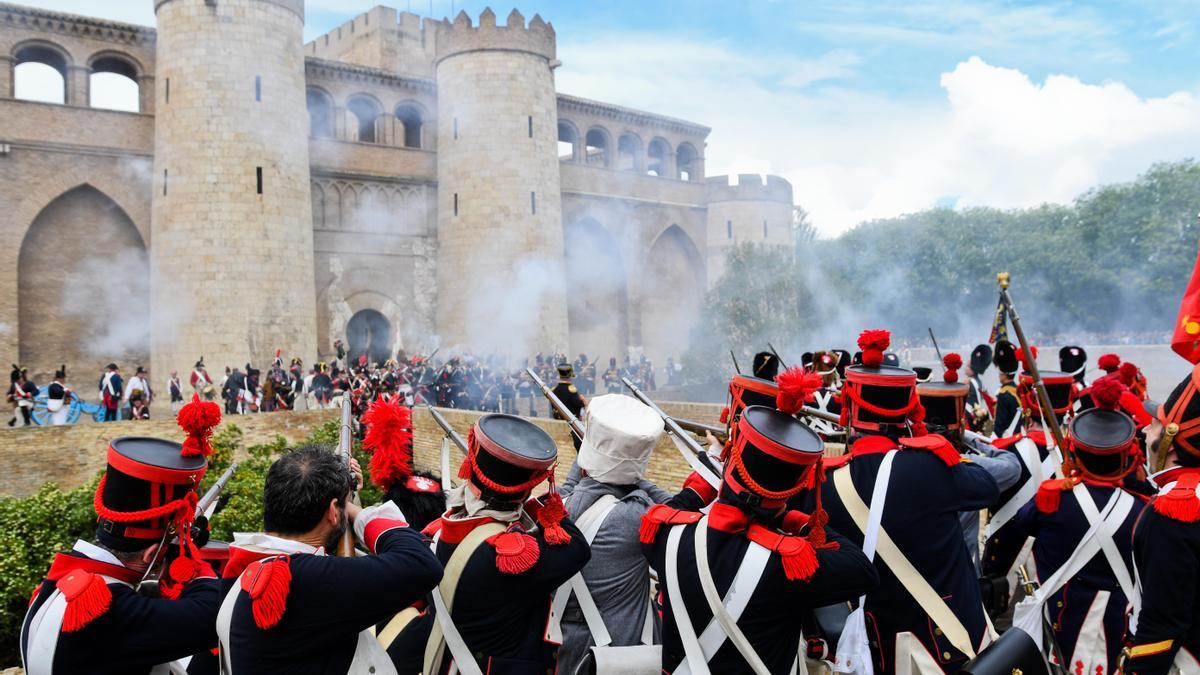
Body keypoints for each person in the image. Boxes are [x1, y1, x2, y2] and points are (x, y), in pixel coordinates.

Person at [643, 380, 878, 673]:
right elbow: (863, 570)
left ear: (732, 461)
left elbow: (669, 511)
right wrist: (796, 521)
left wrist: (704, 478)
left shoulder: (667, 538)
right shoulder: (788, 565)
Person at [806, 329, 1000, 673]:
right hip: (951, 647)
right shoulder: (931, 467)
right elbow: (986, 486)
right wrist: (932, 443)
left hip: (882, 651)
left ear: (850, 408)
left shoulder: (827, 483)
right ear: (909, 408)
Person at [20, 399, 223, 673]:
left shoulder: (60, 582)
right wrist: (188, 553)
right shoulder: (112, 608)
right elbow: (213, 615)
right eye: (160, 553)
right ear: (150, 554)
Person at [216, 446, 443, 673]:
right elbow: (421, 563)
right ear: (334, 512)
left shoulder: (249, 564)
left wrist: (342, 496)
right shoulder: (307, 578)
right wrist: (356, 511)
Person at [987, 378, 1147, 674]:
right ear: (1125, 456)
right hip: (1118, 629)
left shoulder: (1053, 499)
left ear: (1075, 452)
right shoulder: (1142, 509)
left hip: (1059, 623)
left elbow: (1024, 523)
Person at [420, 414, 590, 674]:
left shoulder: (442, 532)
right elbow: (577, 547)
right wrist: (534, 506)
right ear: (526, 487)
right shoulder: (508, 557)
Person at [553, 393, 703, 673]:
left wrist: (597, 447)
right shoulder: (635, 514)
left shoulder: (560, 504)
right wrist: (628, 466)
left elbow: (576, 480)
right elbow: (671, 505)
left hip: (567, 651)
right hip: (623, 656)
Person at [1123, 364, 1200, 673]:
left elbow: (1161, 630)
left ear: (1172, 438)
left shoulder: (1173, 510)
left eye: (1155, 423)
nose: (1144, 430)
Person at [916, 353, 1021, 572]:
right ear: (959, 427)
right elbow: (1012, 467)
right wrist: (972, 438)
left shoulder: (898, 460)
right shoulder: (968, 465)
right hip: (960, 572)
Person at [552, 362, 588, 450]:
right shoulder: (571, 389)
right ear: (570, 375)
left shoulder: (554, 390)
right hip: (572, 426)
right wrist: (584, 401)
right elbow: (580, 405)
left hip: (557, 423)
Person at [992, 340, 1023, 438]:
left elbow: (999, 428)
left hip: (1007, 441)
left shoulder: (1004, 394)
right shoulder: (1018, 389)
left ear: (1003, 373)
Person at [965, 344, 994, 432]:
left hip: (970, 420)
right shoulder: (980, 383)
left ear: (971, 368)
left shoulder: (969, 382)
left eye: (967, 366)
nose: (965, 368)